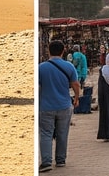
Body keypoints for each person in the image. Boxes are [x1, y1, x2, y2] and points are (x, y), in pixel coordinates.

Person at [39, 40, 81, 171]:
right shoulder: (69, 66)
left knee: (46, 134)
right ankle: (60, 160)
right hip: (64, 105)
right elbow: (75, 84)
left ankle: (46, 162)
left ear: (48, 51)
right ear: (63, 51)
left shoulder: (41, 67)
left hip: (45, 106)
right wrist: (77, 98)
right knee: (63, 133)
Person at [71, 44, 93, 114]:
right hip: (83, 73)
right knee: (81, 88)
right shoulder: (82, 55)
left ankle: (78, 105)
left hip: (78, 74)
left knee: (78, 90)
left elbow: (75, 63)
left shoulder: (76, 54)